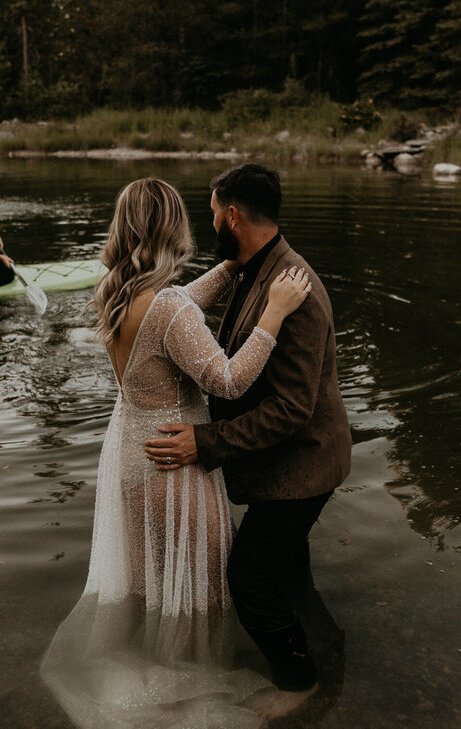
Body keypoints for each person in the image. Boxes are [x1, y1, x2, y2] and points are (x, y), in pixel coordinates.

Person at [40, 177, 312, 728]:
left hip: (134, 463)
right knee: (202, 588)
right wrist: (274, 312)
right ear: (172, 228)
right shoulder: (166, 309)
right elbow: (230, 381)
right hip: (176, 465)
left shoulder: (116, 291)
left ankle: (152, 665)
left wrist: (235, 267)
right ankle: (192, 688)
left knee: (154, 586)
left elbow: (184, 301)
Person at [143, 163, 352, 718]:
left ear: (231, 215)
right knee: (285, 570)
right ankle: (322, 642)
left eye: (212, 211)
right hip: (279, 459)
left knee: (249, 578)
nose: (210, 219)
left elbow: (292, 408)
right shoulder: (253, 265)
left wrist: (204, 443)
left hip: (302, 463)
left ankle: (300, 681)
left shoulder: (293, 289)